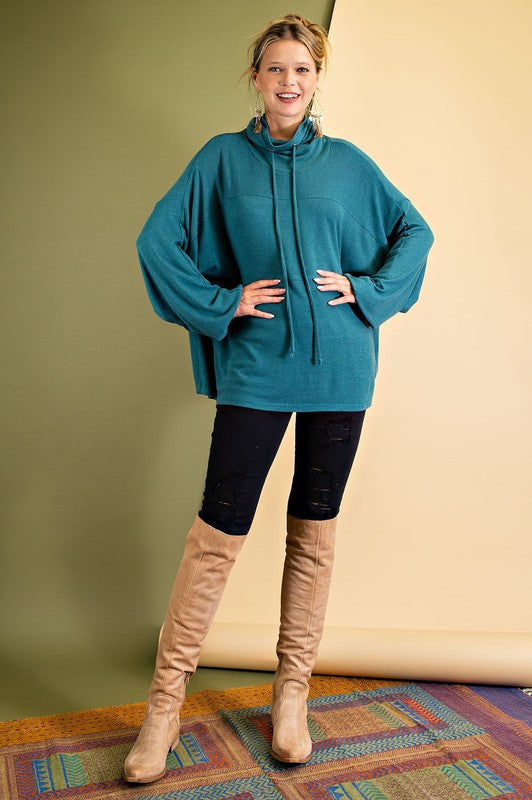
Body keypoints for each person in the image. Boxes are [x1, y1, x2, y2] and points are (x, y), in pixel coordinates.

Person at [122, 13, 434, 784]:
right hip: (258, 368)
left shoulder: (349, 165)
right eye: (275, 69)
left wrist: (366, 292)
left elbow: (416, 233)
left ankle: (291, 698)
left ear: (316, 77)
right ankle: (163, 710)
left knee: (313, 530)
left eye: (302, 69)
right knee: (218, 529)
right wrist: (221, 303)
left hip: (341, 372)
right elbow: (156, 240)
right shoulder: (221, 160)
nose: (288, 82)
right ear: (256, 79)